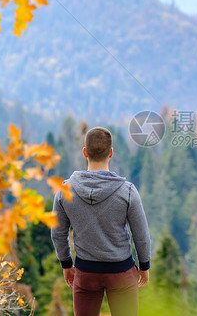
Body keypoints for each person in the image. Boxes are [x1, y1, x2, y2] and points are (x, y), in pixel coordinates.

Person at [51, 127, 151, 316]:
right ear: (111, 153)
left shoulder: (64, 191)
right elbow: (141, 235)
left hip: (86, 272)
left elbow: (57, 233)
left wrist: (66, 264)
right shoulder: (127, 191)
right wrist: (144, 266)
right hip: (121, 271)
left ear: (84, 152)